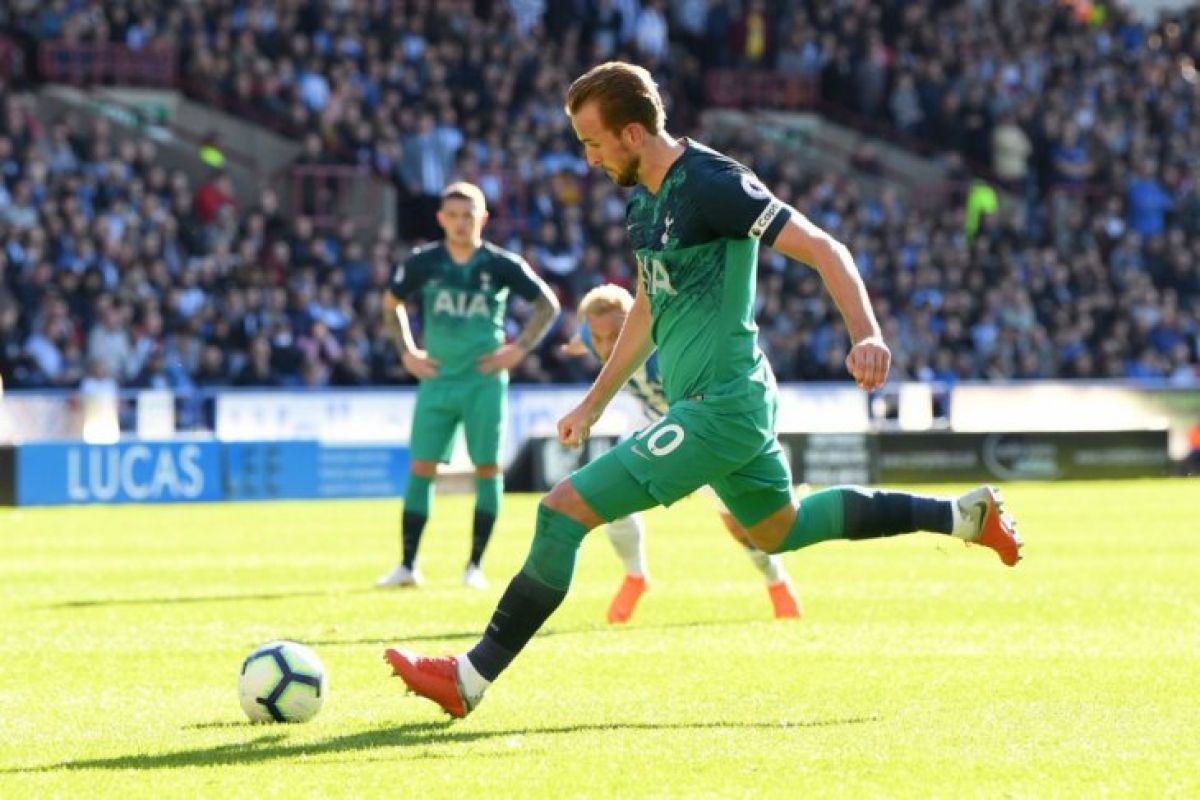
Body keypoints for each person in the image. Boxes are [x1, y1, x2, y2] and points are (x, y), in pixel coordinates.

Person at [385, 62, 1022, 717]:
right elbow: (646, 308)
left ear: (633, 133)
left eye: (594, 141)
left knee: (562, 510)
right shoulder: (641, 199)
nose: (588, 157)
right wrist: (595, 400)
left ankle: (468, 677)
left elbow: (826, 248)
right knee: (780, 530)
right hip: (724, 406)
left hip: (719, 407)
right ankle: (965, 516)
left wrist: (867, 333)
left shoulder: (714, 185)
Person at [562, 283, 802, 622]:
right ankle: (635, 577)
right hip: (647, 426)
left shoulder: (669, 348)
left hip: (701, 432)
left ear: (636, 323)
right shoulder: (594, 335)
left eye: (615, 335)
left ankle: (776, 581)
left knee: (741, 523)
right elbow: (582, 339)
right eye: (596, 338)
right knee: (607, 496)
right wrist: (575, 344)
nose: (605, 346)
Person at [375, 181, 561, 590]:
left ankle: (474, 566)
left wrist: (519, 350)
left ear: (483, 219)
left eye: (468, 215)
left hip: (484, 381)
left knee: (488, 469)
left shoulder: (499, 264)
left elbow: (548, 304)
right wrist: (407, 351)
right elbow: (391, 304)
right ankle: (408, 565)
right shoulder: (423, 262)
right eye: (453, 216)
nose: (460, 223)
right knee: (421, 467)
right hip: (437, 379)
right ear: (441, 218)